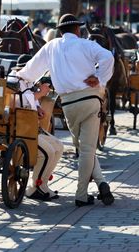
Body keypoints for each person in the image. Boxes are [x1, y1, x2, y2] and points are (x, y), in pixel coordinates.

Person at [17, 13, 115, 207]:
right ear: (78, 29)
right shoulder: (86, 44)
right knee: (88, 149)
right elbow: (108, 57)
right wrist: (99, 78)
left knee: (84, 148)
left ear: (60, 31)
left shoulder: (51, 46)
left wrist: (15, 76)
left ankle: (102, 181)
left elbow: (28, 72)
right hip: (91, 99)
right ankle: (82, 194)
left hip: (69, 104)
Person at [7, 54, 64, 201]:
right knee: (47, 153)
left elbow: (29, 100)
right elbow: (14, 102)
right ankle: (34, 187)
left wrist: (37, 107)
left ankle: (42, 184)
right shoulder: (14, 81)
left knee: (59, 146)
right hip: (20, 128)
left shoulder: (27, 81)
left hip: (30, 126)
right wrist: (40, 94)